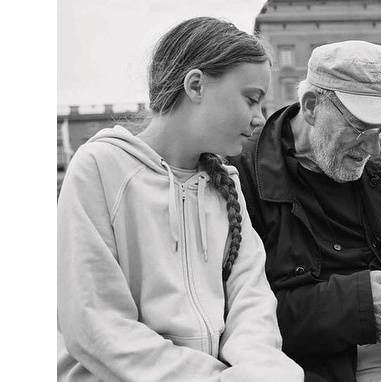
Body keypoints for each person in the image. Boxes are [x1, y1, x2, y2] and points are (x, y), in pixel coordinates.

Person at [57, 17, 303, 381]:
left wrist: (264, 372)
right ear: (196, 85)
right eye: (251, 99)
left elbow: (252, 304)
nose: (259, 118)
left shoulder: (227, 187)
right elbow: (97, 326)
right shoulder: (100, 168)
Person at [232, 40, 381, 381]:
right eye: (360, 128)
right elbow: (238, 315)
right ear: (311, 106)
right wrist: (357, 306)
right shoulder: (240, 173)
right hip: (304, 363)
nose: (373, 148)